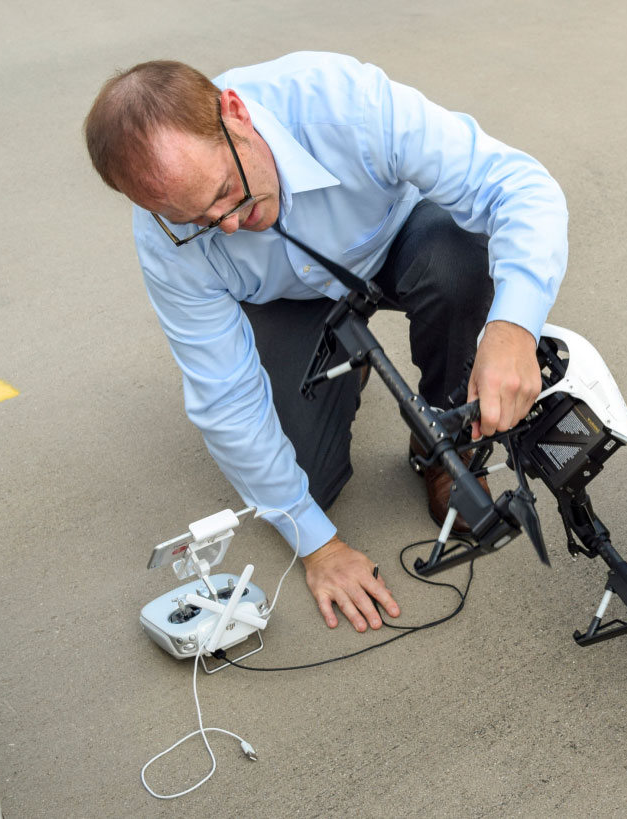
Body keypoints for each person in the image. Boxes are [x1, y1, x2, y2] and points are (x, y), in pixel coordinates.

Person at [83, 52, 568, 633]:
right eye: (200, 221)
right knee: (304, 488)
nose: (227, 224)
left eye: (227, 193)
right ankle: (342, 360)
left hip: (402, 244)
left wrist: (513, 327)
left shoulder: (346, 103)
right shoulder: (166, 235)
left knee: (459, 262)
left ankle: (445, 441)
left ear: (234, 114)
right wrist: (319, 547)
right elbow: (225, 398)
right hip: (289, 303)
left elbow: (519, 187)